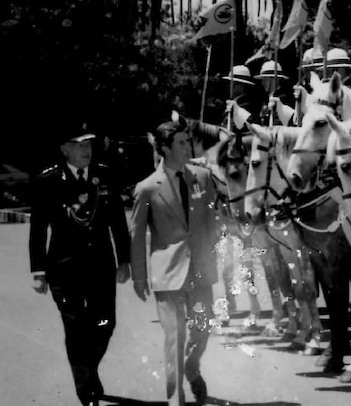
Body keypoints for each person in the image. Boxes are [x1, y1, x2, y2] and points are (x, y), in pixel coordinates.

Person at [29, 122, 131, 406]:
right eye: (79, 145)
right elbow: (37, 230)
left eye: (88, 145)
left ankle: (89, 369)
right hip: (64, 269)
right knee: (75, 329)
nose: (86, 150)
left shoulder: (104, 175)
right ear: (64, 149)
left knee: (105, 323)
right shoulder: (48, 181)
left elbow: (118, 223)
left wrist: (124, 259)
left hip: (101, 266)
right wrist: (38, 272)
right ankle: (86, 389)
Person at [130, 119, 222, 406]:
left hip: (199, 271)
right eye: (181, 143)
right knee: (175, 335)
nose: (188, 147)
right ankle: (175, 398)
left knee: (203, 327)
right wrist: (139, 277)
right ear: (165, 148)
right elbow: (136, 235)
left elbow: (212, 219)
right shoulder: (147, 188)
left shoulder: (202, 178)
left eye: (188, 142)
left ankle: (192, 366)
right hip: (167, 273)